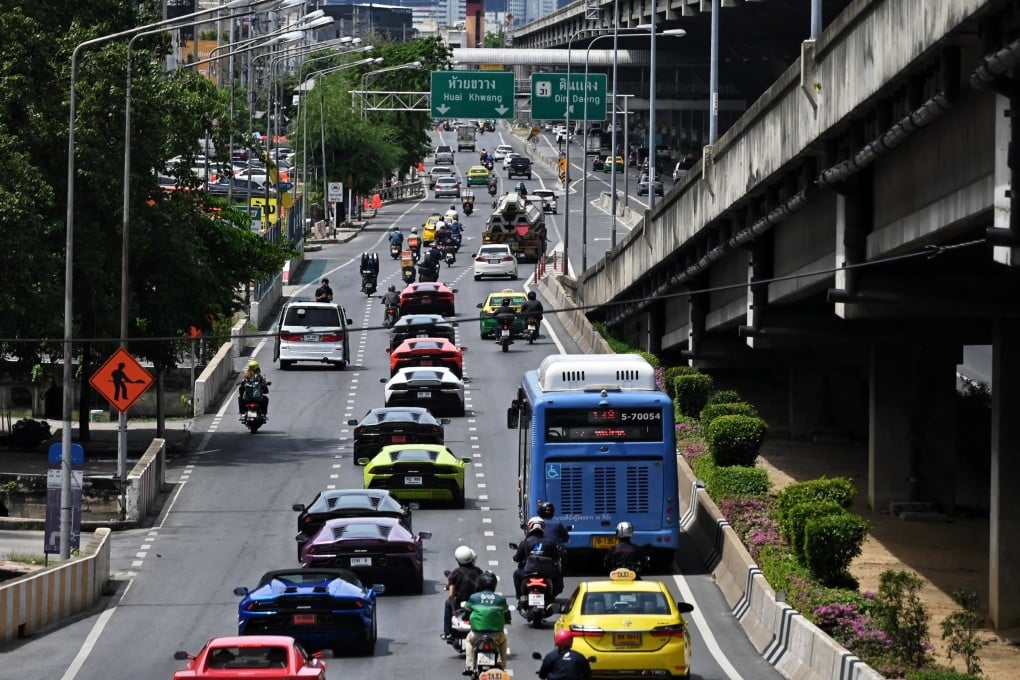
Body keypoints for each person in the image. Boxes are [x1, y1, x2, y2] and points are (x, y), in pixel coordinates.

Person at [463, 571, 510, 676]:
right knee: (503, 642)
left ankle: (469, 666)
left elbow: (466, 614)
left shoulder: (474, 597)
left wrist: (465, 618)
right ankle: (502, 666)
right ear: (494, 585)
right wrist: (507, 620)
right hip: (496, 635)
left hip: (476, 635)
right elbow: (507, 615)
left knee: (469, 641)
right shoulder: (500, 599)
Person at [512, 517, 562, 601]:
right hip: (547, 572)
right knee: (557, 575)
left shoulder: (525, 542)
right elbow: (556, 557)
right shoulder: (550, 542)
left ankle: (519, 597)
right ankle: (552, 597)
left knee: (516, 574)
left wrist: (515, 558)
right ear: (543, 527)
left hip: (528, 572)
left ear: (530, 527)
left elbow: (518, 557)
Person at [442, 545, 484, 641]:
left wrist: (453, 610)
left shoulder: (456, 573)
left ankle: (448, 633)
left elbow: (451, 595)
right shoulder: (478, 571)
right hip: (476, 603)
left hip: (460, 602)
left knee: (447, 603)